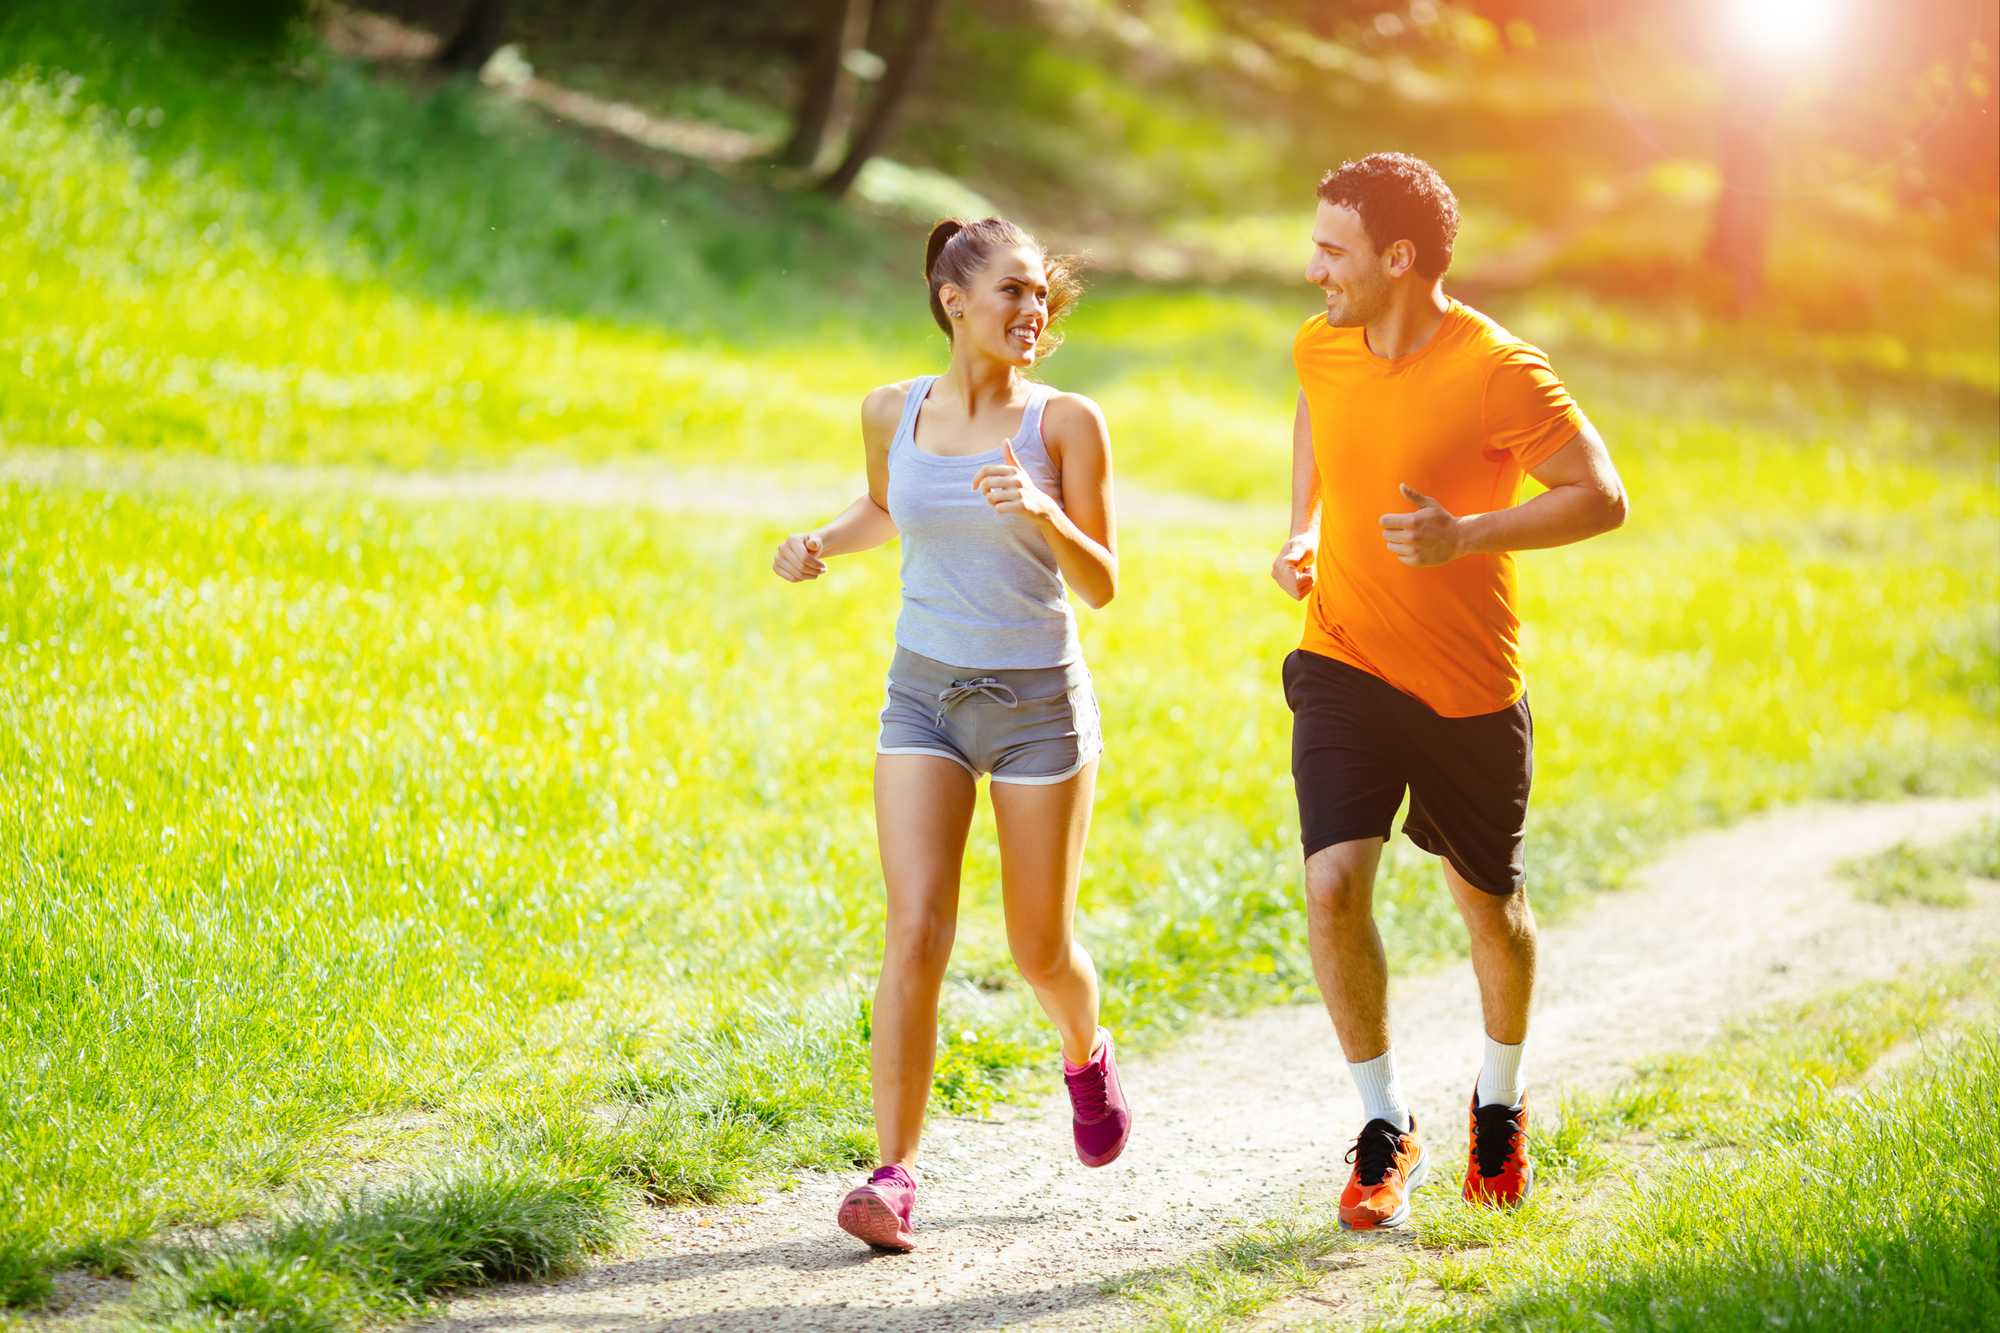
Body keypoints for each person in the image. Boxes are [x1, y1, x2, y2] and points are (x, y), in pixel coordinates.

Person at [1269, 153, 1628, 1230]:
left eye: (1330, 249)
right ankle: (1383, 1123)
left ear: (1397, 256)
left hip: (1468, 685)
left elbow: (1599, 496)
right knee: (1332, 884)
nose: (1310, 267)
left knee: (1489, 906)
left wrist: (1465, 533)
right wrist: (1306, 524)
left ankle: (1498, 1102)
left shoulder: (1496, 367)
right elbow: (1314, 416)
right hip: (1340, 657)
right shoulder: (1320, 341)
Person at [772, 216, 1131, 1253]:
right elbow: (888, 505)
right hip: (921, 695)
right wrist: (823, 543)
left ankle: (1084, 1049)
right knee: (916, 927)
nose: (1032, 311)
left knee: (1038, 945)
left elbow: (1101, 582)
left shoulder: (1065, 423)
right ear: (952, 300)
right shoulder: (892, 409)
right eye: (1012, 291)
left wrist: (1042, 513)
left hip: (1035, 708)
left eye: (1040, 294)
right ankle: (892, 1175)